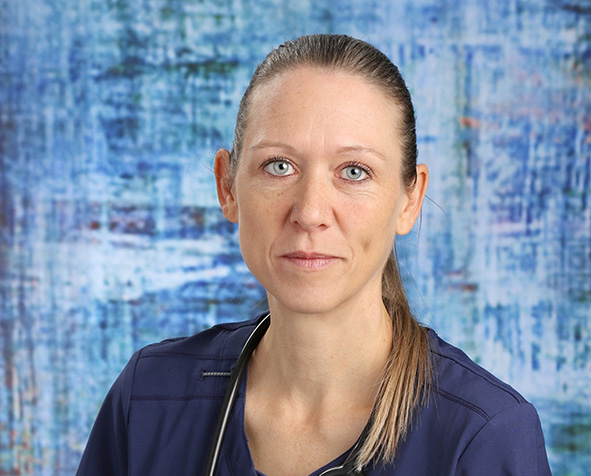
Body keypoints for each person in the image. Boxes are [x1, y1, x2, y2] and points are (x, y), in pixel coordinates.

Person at [76, 34, 552, 476]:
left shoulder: (485, 435)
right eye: (279, 166)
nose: (310, 212)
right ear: (228, 187)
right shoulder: (148, 399)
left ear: (409, 199)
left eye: (354, 171)